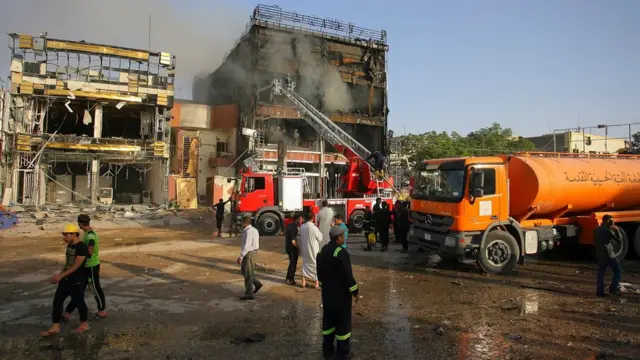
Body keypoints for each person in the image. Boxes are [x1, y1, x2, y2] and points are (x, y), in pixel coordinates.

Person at [317, 225, 359, 359]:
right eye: (343, 236)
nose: (344, 238)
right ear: (338, 238)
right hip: (341, 297)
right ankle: (343, 353)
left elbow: (319, 273)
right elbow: (348, 275)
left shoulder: (323, 250)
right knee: (342, 324)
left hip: (327, 295)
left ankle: (328, 351)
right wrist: (355, 291)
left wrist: (324, 285)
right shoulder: (341, 253)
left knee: (328, 323)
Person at [41, 224, 90, 336]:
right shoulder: (70, 246)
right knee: (57, 301)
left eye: (65, 235)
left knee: (79, 302)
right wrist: (59, 276)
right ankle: (55, 326)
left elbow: (76, 266)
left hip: (77, 280)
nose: (64, 237)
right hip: (66, 279)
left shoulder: (81, 247)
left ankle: (84, 323)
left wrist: (61, 276)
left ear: (73, 234)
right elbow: (68, 264)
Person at [63, 214, 107, 321]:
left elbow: (90, 251)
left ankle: (102, 311)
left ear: (80, 224)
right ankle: (68, 312)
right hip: (86, 266)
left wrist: (80, 251)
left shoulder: (90, 235)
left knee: (95, 288)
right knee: (78, 290)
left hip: (91, 266)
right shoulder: (88, 234)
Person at [594, 214, 623, 297]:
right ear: (608, 221)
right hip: (608, 254)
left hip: (599, 254)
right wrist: (617, 230)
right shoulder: (607, 230)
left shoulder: (596, 229)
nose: (612, 222)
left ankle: (600, 292)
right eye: (611, 221)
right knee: (617, 270)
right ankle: (613, 289)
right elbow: (619, 241)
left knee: (601, 273)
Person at [237, 217, 263, 300]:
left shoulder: (248, 232)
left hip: (249, 253)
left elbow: (247, 246)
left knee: (247, 273)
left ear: (245, 223)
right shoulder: (254, 230)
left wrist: (241, 256)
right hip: (253, 252)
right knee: (246, 271)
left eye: (242, 223)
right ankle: (257, 283)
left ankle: (249, 294)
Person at [300, 211, 323, 289]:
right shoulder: (314, 228)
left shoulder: (302, 227)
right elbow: (320, 238)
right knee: (315, 265)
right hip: (313, 249)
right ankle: (316, 283)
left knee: (305, 264)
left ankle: (303, 282)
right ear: (313, 218)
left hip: (305, 249)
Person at [285, 214, 303, 285]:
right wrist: (298, 247)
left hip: (287, 246)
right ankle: (290, 279)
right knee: (293, 264)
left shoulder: (289, 225)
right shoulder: (294, 227)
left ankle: (288, 278)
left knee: (291, 263)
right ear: (297, 219)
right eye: (300, 219)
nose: (301, 221)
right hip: (292, 248)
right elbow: (293, 241)